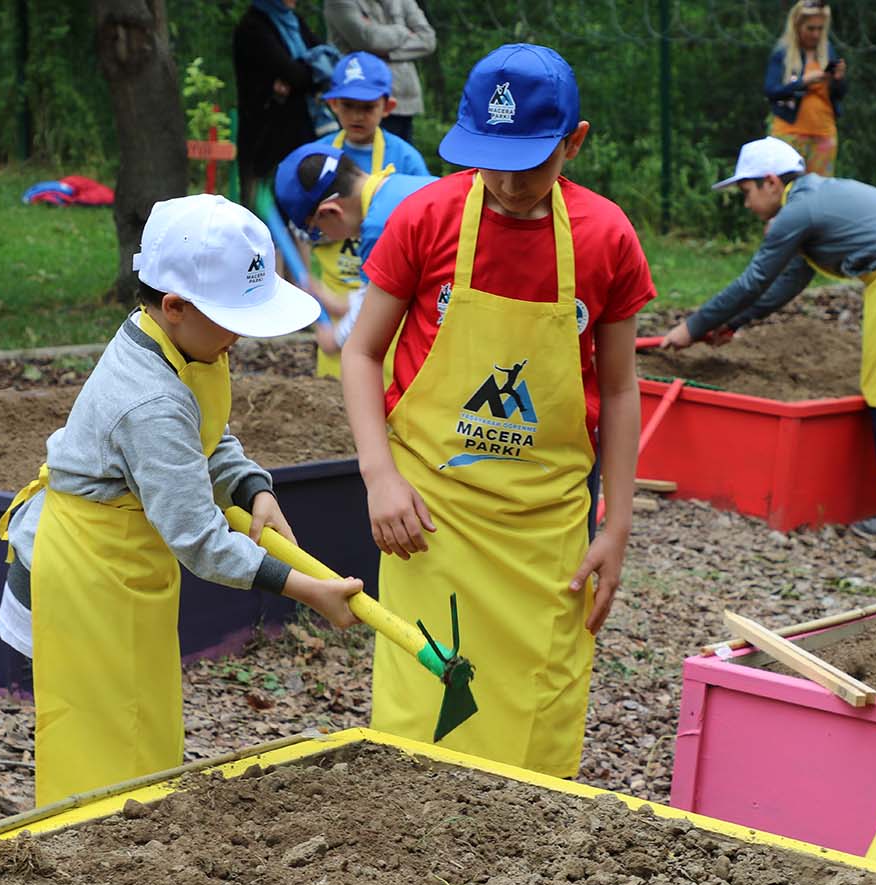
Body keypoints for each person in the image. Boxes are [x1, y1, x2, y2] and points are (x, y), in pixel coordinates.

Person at [340, 44, 655, 778]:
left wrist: (616, 525)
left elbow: (617, 389)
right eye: (490, 160)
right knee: (426, 716)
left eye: (531, 163)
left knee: (535, 727)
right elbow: (361, 355)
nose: (509, 184)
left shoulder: (607, 237)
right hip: (430, 518)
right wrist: (379, 476)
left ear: (574, 142)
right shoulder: (427, 217)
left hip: (545, 529)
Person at [0, 195, 362, 806]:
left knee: (140, 733)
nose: (241, 339)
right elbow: (199, 539)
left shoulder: (182, 342)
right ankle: (87, 870)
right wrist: (307, 590)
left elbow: (207, 436)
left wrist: (252, 487)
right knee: (101, 747)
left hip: (124, 569)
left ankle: (126, 846)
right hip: (90, 577)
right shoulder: (150, 400)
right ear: (175, 305)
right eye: (234, 322)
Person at [661, 137, 876, 543]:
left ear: (771, 182)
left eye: (746, 192)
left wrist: (691, 327)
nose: (746, 203)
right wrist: (733, 323)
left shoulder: (798, 210)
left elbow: (754, 279)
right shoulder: (816, 202)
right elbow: (786, 283)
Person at [308, 51, 431, 377]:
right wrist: (316, 287)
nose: (357, 116)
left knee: (383, 372)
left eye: (367, 107)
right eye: (347, 106)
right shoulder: (320, 154)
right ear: (332, 105)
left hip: (391, 296)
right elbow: (303, 226)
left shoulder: (405, 158)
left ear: (388, 107)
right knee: (331, 393)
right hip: (336, 289)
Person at [274, 140, 435, 371]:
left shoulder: (379, 227)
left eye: (317, 231)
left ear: (330, 212)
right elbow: (371, 296)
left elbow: (367, 319)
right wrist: (337, 303)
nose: (323, 236)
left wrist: (335, 338)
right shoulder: (397, 187)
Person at [232, 0, 333, 205]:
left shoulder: (294, 21)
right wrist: (311, 68)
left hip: (304, 134)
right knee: (265, 211)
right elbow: (297, 75)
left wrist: (302, 74)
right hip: (266, 141)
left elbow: (328, 63)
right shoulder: (253, 27)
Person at [324, 0, 436, 144]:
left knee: (399, 159)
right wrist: (402, 31)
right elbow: (369, 40)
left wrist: (387, 53)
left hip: (405, 100)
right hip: (362, 100)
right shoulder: (340, 3)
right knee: (360, 161)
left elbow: (428, 40)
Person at [764, 0, 847, 177]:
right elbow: (771, 91)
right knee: (787, 190)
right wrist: (803, 82)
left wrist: (838, 79)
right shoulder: (783, 52)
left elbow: (839, 95)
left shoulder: (828, 51)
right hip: (789, 133)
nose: (816, 34)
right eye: (811, 28)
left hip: (824, 134)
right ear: (797, 26)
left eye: (820, 28)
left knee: (819, 193)